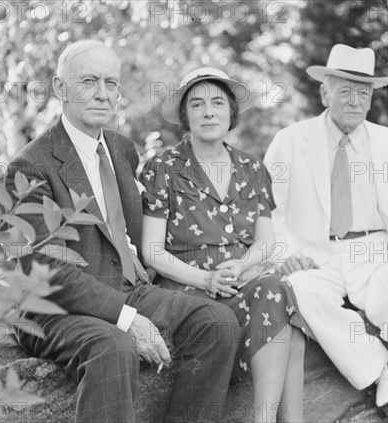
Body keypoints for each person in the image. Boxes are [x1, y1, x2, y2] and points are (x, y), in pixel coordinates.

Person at [5, 40, 239, 423]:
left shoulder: (121, 148)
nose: (102, 93)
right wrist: (127, 319)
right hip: (54, 309)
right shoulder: (31, 165)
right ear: (60, 88)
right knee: (114, 346)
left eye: (110, 83)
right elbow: (45, 270)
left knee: (217, 323)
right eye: (89, 81)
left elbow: (140, 232)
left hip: (130, 289)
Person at [264, 44, 388, 423]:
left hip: (378, 251)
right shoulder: (290, 141)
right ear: (325, 92)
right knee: (298, 292)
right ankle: (379, 369)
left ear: (371, 97)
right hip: (315, 253)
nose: (355, 100)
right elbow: (265, 208)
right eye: (345, 90)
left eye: (363, 92)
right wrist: (285, 252)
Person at [141, 67, 307, 423]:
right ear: (185, 115)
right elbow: (151, 251)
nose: (208, 111)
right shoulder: (163, 167)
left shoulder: (252, 168)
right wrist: (205, 279)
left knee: (276, 288)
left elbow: (266, 242)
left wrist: (243, 266)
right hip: (185, 288)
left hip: (238, 281)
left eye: (217, 102)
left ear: (231, 112)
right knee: (286, 321)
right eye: (197, 104)